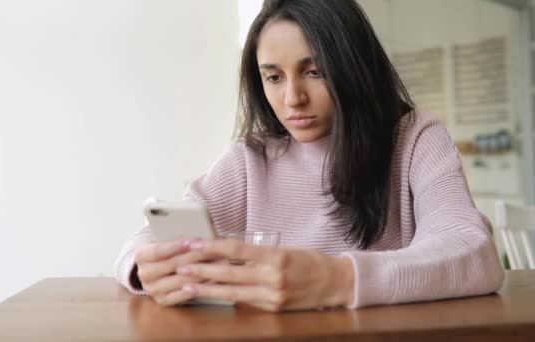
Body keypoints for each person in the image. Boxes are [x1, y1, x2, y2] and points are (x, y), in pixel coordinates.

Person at [114, 0, 504, 312]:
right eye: (274, 77)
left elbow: (472, 253)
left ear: (353, 67)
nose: (292, 99)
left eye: (314, 71)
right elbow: (145, 239)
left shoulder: (415, 137)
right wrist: (144, 268)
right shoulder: (252, 157)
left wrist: (334, 279)